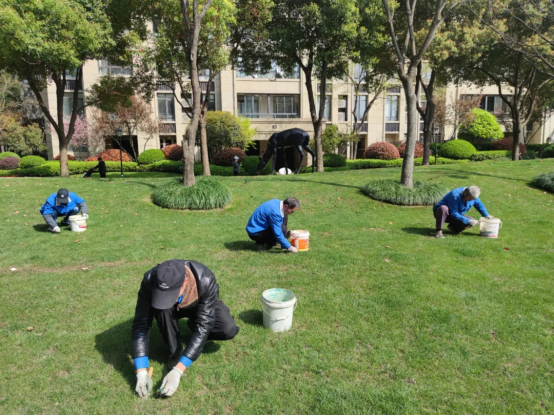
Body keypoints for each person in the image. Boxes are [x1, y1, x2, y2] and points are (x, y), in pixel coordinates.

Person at [132, 260, 239, 399]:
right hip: (167, 311)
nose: (166, 298)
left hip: (197, 305)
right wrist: (141, 372)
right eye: (162, 295)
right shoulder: (149, 279)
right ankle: (175, 353)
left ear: (185, 281)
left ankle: (192, 324)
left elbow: (204, 325)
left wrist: (178, 371)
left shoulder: (205, 279)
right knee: (163, 309)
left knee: (228, 329)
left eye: (171, 294)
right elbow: (140, 324)